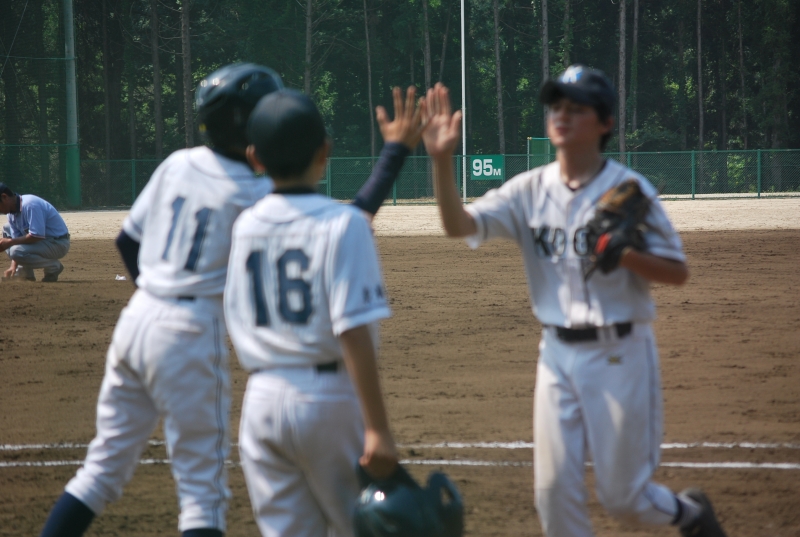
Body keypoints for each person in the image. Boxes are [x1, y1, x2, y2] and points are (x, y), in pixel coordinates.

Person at [38, 61, 424, 537]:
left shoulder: (179, 163)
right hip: (192, 332)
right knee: (202, 497)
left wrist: (161, 293)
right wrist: (394, 154)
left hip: (139, 317)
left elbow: (128, 241)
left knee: (100, 469)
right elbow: (342, 220)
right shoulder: (254, 193)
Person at [421, 67, 728, 537]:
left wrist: (624, 254)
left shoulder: (630, 189)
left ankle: (691, 515)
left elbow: (677, 272)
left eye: (576, 108)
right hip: (556, 356)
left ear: (605, 122)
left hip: (619, 353)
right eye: (557, 106)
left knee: (625, 500)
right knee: (552, 497)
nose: (561, 115)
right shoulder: (527, 190)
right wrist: (441, 160)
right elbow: (457, 225)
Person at [224, 88, 415, 537]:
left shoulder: (245, 225)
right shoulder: (344, 224)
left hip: (261, 401)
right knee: (359, 526)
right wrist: (378, 429)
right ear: (325, 152)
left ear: (255, 158)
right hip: (327, 401)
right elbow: (353, 331)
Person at [0, 184, 70, 282]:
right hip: (43, 243)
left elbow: (37, 236)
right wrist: (13, 266)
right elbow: (17, 242)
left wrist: (9, 242)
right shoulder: (11, 214)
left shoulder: (30, 204)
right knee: (7, 229)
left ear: (4, 197)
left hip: (57, 243)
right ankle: (25, 273)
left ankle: (53, 266)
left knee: (15, 249)